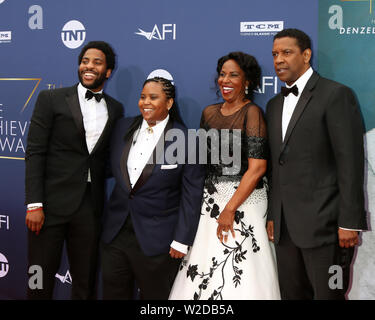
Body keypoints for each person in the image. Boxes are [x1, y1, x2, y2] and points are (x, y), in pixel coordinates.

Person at [169, 52, 280, 300]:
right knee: (205, 263)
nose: (225, 80)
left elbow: (258, 168)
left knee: (245, 270)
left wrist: (230, 208)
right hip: (211, 205)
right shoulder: (208, 113)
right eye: (222, 74)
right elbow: (201, 164)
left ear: (247, 81)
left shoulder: (253, 113)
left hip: (245, 202)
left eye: (233, 75)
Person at [265, 28, 367, 300]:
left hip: (327, 229)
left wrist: (349, 221)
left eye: (287, 52)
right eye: (275, 54)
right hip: (285, 231)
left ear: (306, 55)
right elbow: (278, 166)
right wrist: (275, 214)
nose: (278, 60)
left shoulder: (336, 95)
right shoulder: (273, 105)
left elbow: (351, 163)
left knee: (329, 296)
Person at [25, 41, 124, 299]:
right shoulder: (51, 99)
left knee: (85, 281)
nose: (89, 66)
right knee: (38, 279)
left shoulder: (115, 109)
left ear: (108, 71)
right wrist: (34, 204)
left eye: (97, 62)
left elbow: (108, 158)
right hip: (49, 205)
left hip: (90, 209)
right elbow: (35, 152)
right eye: (85, 61)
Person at [100, 77, 206, 300]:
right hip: (116, 233)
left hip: (158, 239)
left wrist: (181, 239)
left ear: (168, 103)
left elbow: (192, 194)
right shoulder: (121, 127)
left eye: (153, 97)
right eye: (142, 97)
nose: (145, 102)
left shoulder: (188, 140)